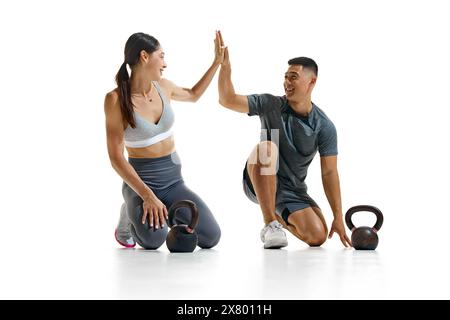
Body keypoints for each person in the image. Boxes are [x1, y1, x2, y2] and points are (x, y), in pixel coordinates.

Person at [217, 34, 351, 249]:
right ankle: (270, 224)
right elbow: (227, 100)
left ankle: (279, 217)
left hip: (292, 190)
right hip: (258, 177)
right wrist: (225, 66)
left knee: (317, 236)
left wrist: (338, 216)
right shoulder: (270, 104)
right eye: (286, 77)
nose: (287, 83)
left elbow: (329, 173)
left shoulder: (324, 126)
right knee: (267, 148)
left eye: (293, 77)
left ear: (311, 82)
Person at [104, 32, 223, 249]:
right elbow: (115, 157)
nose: (165, 63)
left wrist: (216, 62)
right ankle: (129, 214)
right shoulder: (116, 100)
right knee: (153, 240)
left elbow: (194, 94)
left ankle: (164, 210)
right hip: (141, 184)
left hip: (173, 183)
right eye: (161, 55)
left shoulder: (164, 87)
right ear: (144, 56)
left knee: (211, 236)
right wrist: (147, 195)